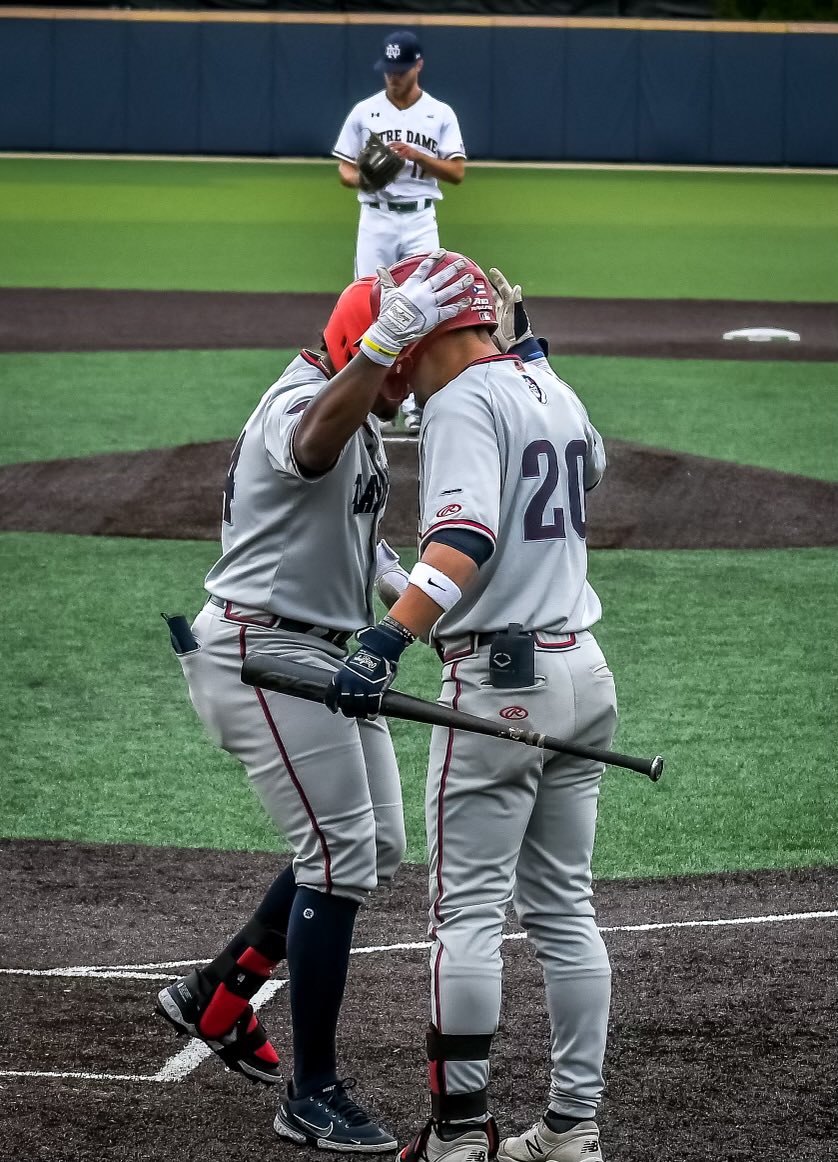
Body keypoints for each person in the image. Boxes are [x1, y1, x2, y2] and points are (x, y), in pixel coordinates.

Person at [156, 251, 476, 1154]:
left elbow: (364, 552)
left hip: (314, 652)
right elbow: (308, 448)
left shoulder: (361, 419)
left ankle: (215, 996)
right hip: (262, 651)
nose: (404, 387)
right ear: (363, 340)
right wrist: (384, 340)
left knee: (373, 848)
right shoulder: (299, 403)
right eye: (401, 364)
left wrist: (414, 611)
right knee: (337, 857)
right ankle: (312, 1092)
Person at [325, 256, 618, 1162]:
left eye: (403, 342)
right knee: (567, 908)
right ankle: (573, 1128)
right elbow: (591, 470)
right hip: (586, 675)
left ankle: (456, 1137)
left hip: (501, 687)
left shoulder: (461, 403)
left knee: (468, 918)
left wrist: (387, 639)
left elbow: (465, 535)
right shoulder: (548, 381)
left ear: (431, 333)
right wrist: (530, 355)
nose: (398, 371)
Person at [332, 29, 466, 433]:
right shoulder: (364, 111)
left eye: (401, 69)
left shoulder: (439, 113)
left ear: (418, 66)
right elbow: (344, 169)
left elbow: (457, 172)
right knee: (368, 304)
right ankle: (369, 401)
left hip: (420, 218)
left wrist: (418, 156)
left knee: (423, 305)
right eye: (389, 69)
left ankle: (414, 401)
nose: (393, 76)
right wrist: (363, 180)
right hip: (375, 218)